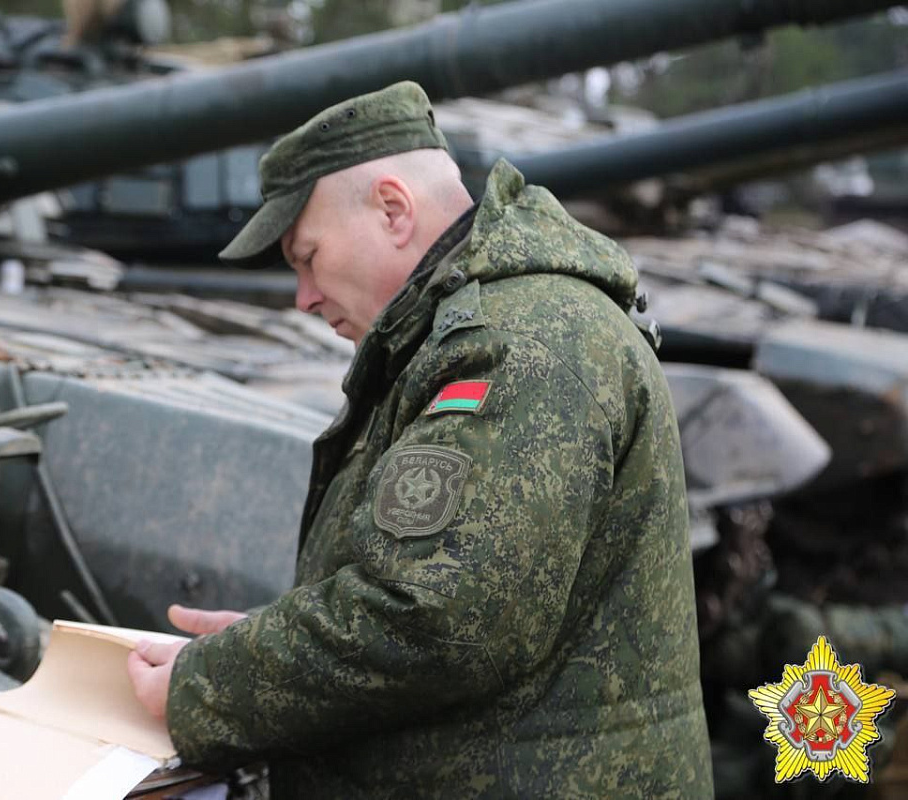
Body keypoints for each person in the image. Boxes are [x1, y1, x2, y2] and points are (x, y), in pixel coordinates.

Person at [128, 81, 713, 797]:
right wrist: (260, 649)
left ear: (393, 210)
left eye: (307, 256)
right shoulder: (461, 333)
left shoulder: (519, 345)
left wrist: (213, 684)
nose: (302, 297)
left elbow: (436, 621)